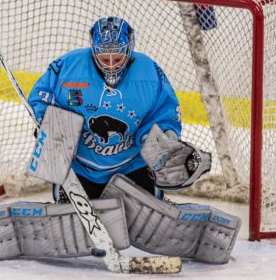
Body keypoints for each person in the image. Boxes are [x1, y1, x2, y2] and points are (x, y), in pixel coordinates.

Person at [28, 16, 185, 201]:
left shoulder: (149, 72)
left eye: (118, 58)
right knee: (72, 224)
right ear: (93, 50)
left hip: (132, 164)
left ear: (129, 49)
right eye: (104, 58)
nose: (111, 66)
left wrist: (166, 137)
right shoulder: (68, 67)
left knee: (145, 222)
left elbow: (165, 112)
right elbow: (41, 96)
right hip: (80, 166)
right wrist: (47, 122)